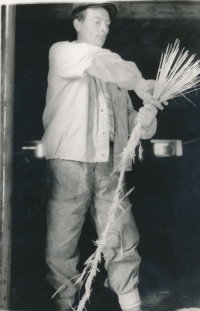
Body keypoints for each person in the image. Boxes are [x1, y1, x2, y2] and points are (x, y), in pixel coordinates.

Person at [42, 3, 166, 311]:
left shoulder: (115, 75)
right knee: (62, 240)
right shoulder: (63, 52)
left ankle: (131, 303)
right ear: (77, 23)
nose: (104, 28)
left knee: (122, 233)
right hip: (70, 160)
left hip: (110, 163)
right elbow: (99, 62)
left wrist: (147, 117)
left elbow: (135, 123)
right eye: (97, 21)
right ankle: (66, 304)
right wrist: (140, 83)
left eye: (107, 24)